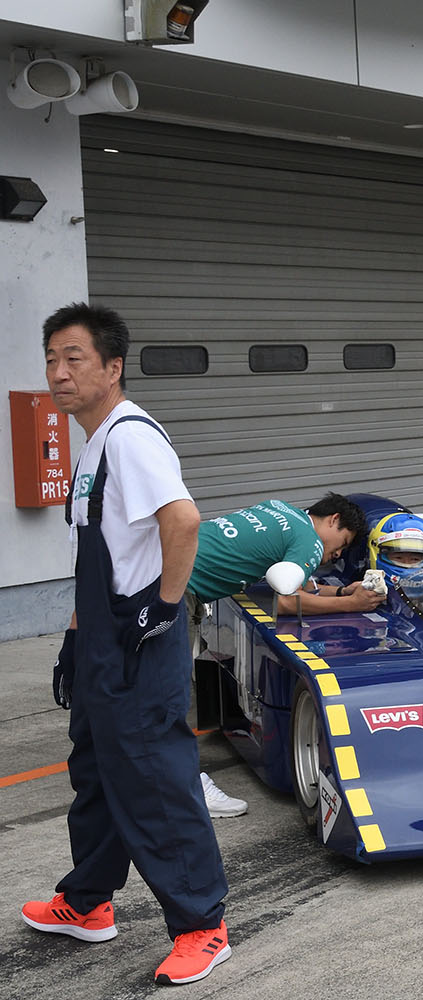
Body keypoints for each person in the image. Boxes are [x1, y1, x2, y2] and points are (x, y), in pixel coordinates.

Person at [26, 303, 231, 986]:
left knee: (153, 777)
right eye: (51, 358)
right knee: (96, 768)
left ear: (112, 368)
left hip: (142, 641)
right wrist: (76, 644)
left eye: (73, 358)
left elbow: (184, 521)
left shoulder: (131, 438)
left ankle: (203, 925)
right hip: (104, 644)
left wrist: (162, 608)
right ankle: (86, 903)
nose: (58, 372)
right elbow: (103, 554)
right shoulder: (93, 442)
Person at [190, 493, 380, 615]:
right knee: (175, 676)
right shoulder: (310, 540)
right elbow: (288, 602)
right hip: (182, 586)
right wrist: (352, 604)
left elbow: (296, 583)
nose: (338, 554)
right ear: (334, 519)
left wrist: (342, 592)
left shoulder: (277, 505)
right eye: (343, 543)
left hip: (171, 555)